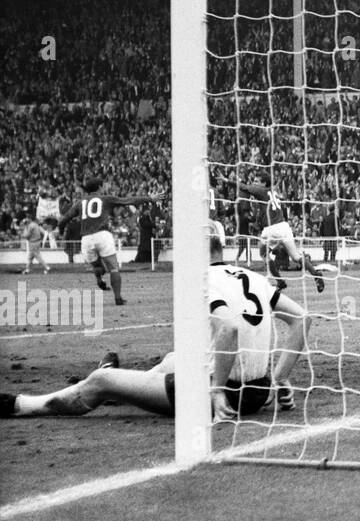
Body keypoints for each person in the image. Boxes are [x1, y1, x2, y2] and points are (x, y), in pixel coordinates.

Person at [0, 238, 309, 421]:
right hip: (258, 390)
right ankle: (126, 384)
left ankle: (21, 405)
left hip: (222, 393)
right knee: (173, 361)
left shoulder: (202, 279)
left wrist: (216, 392)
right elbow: (301, 319)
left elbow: (227, 327)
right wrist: (279, 379)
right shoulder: (252, 276)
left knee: (100, 381)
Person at [58, 178, 153, 305]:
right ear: (99, 187)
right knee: (113, 268)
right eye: (103, 186)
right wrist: (150, 198)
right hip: (102, 235)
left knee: (97, 266)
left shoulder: (80, 203)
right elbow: (128, 201)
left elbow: (64, 219)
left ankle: (99, 278)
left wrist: (60, 231)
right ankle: (118, 298)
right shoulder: (105, 199)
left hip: (86, 239)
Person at [235, 173, 330, 292]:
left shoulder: (261, 191)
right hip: (284, 227)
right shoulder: (272, 192)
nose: (254, 183)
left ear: (264, 183)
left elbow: (244, 187)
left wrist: (227, 180)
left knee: (263, 254)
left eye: (256, 181)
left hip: (272, 229)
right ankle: (316, 274)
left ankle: (280, 282)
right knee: (296, 257)